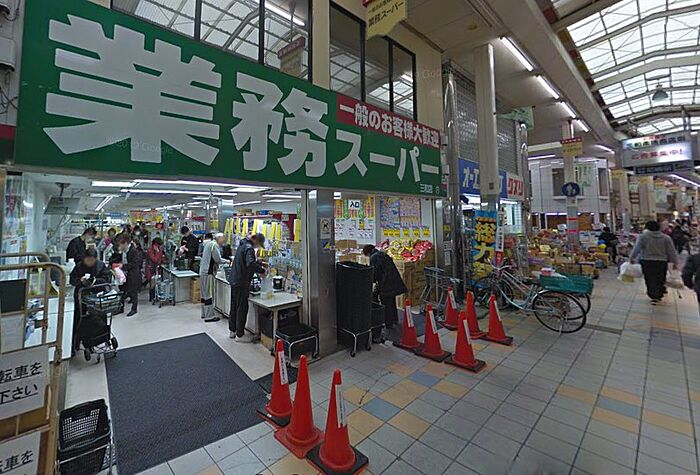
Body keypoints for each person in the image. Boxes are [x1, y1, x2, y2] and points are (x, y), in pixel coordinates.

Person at [69, 248, 112, 352]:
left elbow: (107, 279)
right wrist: (80, 280)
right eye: (87, 260)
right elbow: (72, 280)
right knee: (79, 319)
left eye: (92, 260)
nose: (89, 262)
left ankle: (102, 338)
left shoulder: (100, 266)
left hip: (97, 297)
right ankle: (76, 342)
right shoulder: (79, 266)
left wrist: (95, 281)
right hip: (82, 298)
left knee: (100, 317)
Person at [228, 233, 266, 342]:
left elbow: (246, 261)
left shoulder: (243, 244)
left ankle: (232, 331)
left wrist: (259, 263)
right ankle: (240, 335)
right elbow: (250, 264)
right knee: (242, 308)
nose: (258, 247)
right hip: (241, 282)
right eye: (259, 244)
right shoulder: (249, 248)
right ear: (256, 240)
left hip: (234, 280)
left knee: (234, 306)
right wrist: (262, 270)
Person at [630, 220, 679, 304]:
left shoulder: (643, 237)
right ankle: (658, 294)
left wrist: (632, 257)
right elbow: (671, 251)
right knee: (660, 278)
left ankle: (653, 295)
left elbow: (637, 248)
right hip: (661, 261)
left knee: (649, 278)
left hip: (646, 260)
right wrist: (675, 262)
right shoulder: (666, 238)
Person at [362, 244, 408, 328]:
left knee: (385, 303)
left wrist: (371, 281)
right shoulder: (382, 254)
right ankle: (394, 319)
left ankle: (388, 323)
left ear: (368, 253)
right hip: (394, 281)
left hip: (386, 283)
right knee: (392, 301)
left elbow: (375, 273)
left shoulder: (374, 258)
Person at [200, 233, 229, 322]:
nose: (224, 241)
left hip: (203, 271)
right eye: (223, 239)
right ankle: (209, 316)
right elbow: (218, 259)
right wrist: (227, 261)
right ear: (218, 238)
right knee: (209, 294)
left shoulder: (209, 243)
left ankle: (204, 313)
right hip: (208, 273)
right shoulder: (214, 245)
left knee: (204, 294)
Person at [115, 233, 143, 316]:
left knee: (133, 292)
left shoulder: (134, 251)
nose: (119, 246)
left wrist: (123, 266)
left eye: (120, 244)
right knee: (122, 291)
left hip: (133, 274)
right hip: (125, 273)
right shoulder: (124, 251)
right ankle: (120, 308)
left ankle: (134, 309)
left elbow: (134, 263)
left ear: (125, 243)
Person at [146, 237, 166, 302]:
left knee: (157, 282)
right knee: (152, 284)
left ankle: (156, 296)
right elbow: (155, 259)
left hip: (157, 268)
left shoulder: (159, 249)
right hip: (151, 269)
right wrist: (158, 252)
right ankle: (152, 297)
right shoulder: (150, 251)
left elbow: (161, 258)